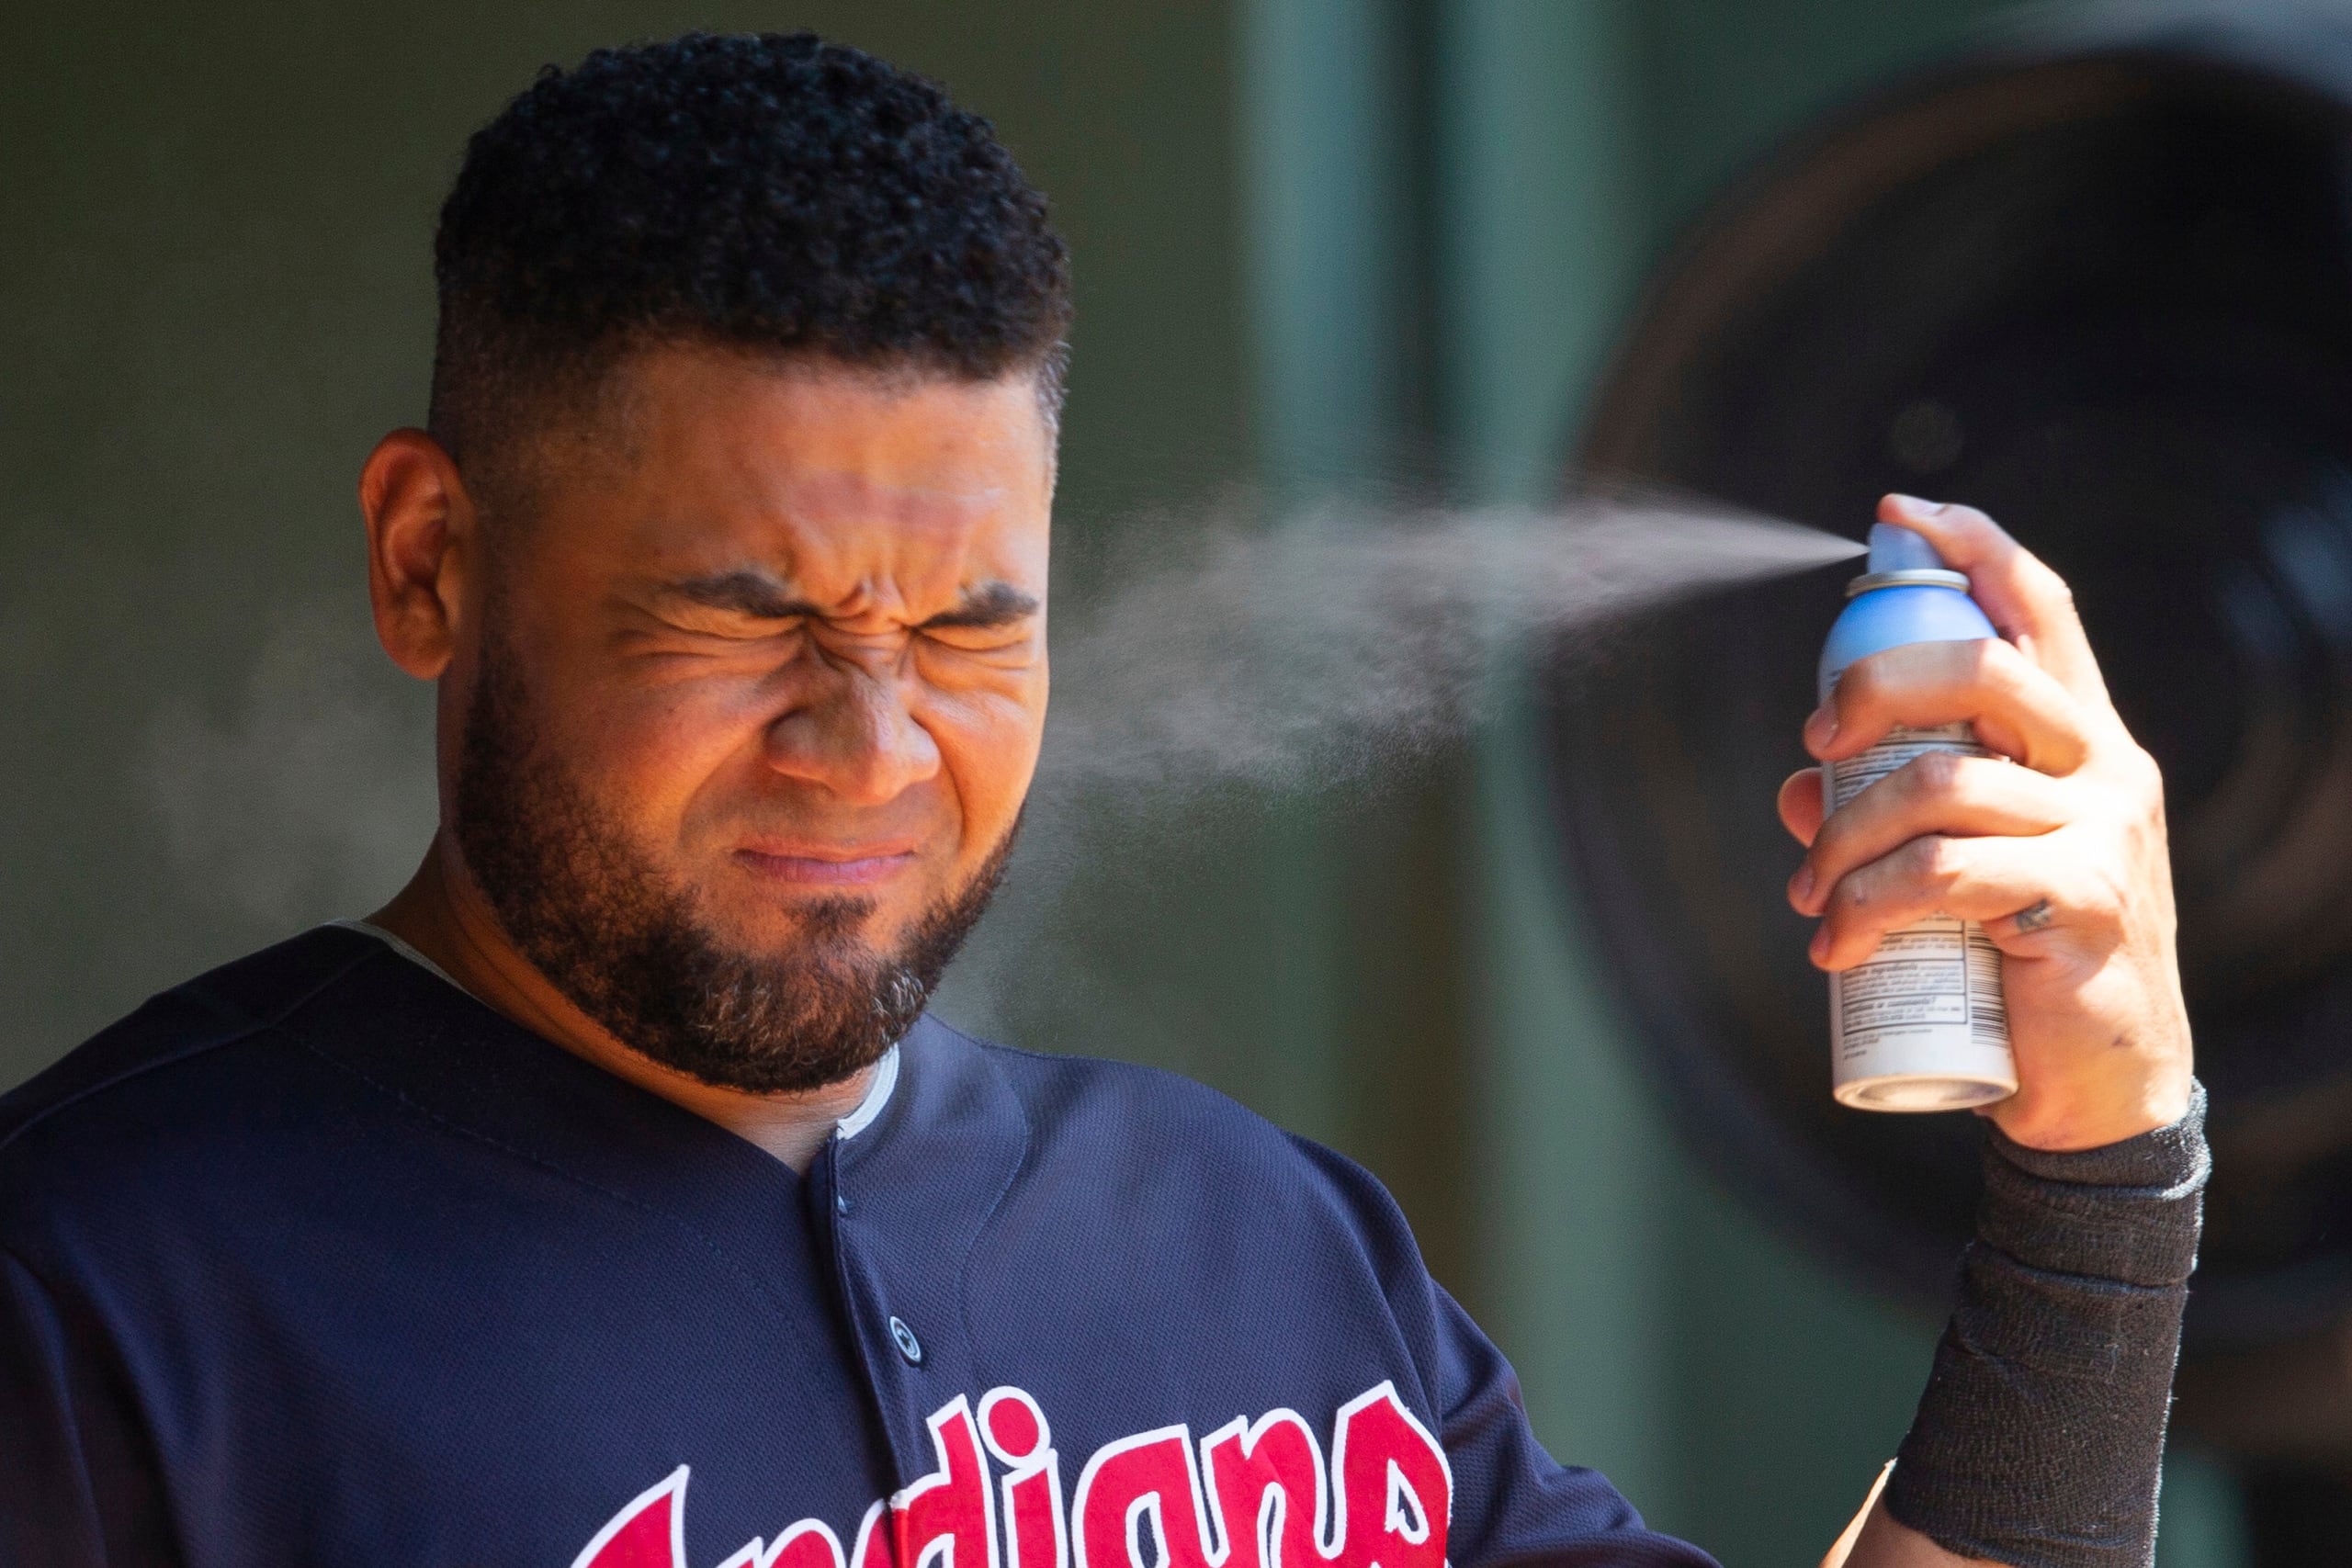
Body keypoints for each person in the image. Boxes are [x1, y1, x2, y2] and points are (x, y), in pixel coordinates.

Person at [0, 32, 2201, 1568]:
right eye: (744, 615)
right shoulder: (101, 1310)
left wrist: (2102, 1179)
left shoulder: (1262, 1250)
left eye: (967, 624)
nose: (870, 744)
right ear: (431, 563)